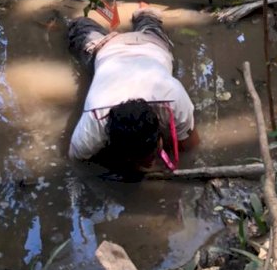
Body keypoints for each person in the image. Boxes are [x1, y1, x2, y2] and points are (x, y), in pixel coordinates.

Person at [68, 9, 199, 172]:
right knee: (79, 25)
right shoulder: (94, 122)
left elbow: (190, 146)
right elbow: (78, 163)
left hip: (145, 44)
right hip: (110, 47)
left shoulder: (173, 99)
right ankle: (143, 13)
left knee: (79, 25)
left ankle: (144, 14)